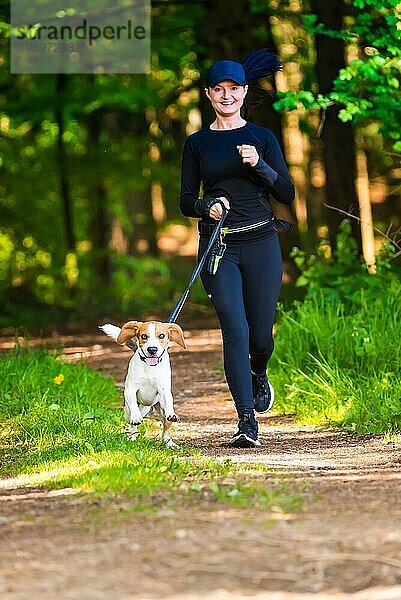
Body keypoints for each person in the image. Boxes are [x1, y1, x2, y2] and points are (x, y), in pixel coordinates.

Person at [179, 50, 295, 448]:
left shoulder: (262, 138)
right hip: (218, 247)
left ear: (244, 92)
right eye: (218, 89)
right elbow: (184, 200)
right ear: (209, 94)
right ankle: (247, 422)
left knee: (260, 336)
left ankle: (259, 371)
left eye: (234, 88)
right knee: (236, 329)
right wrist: (204, 206)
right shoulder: (197, 144)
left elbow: (287, 194)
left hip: (261, 241)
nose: (226, 95)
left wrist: (261, 165)